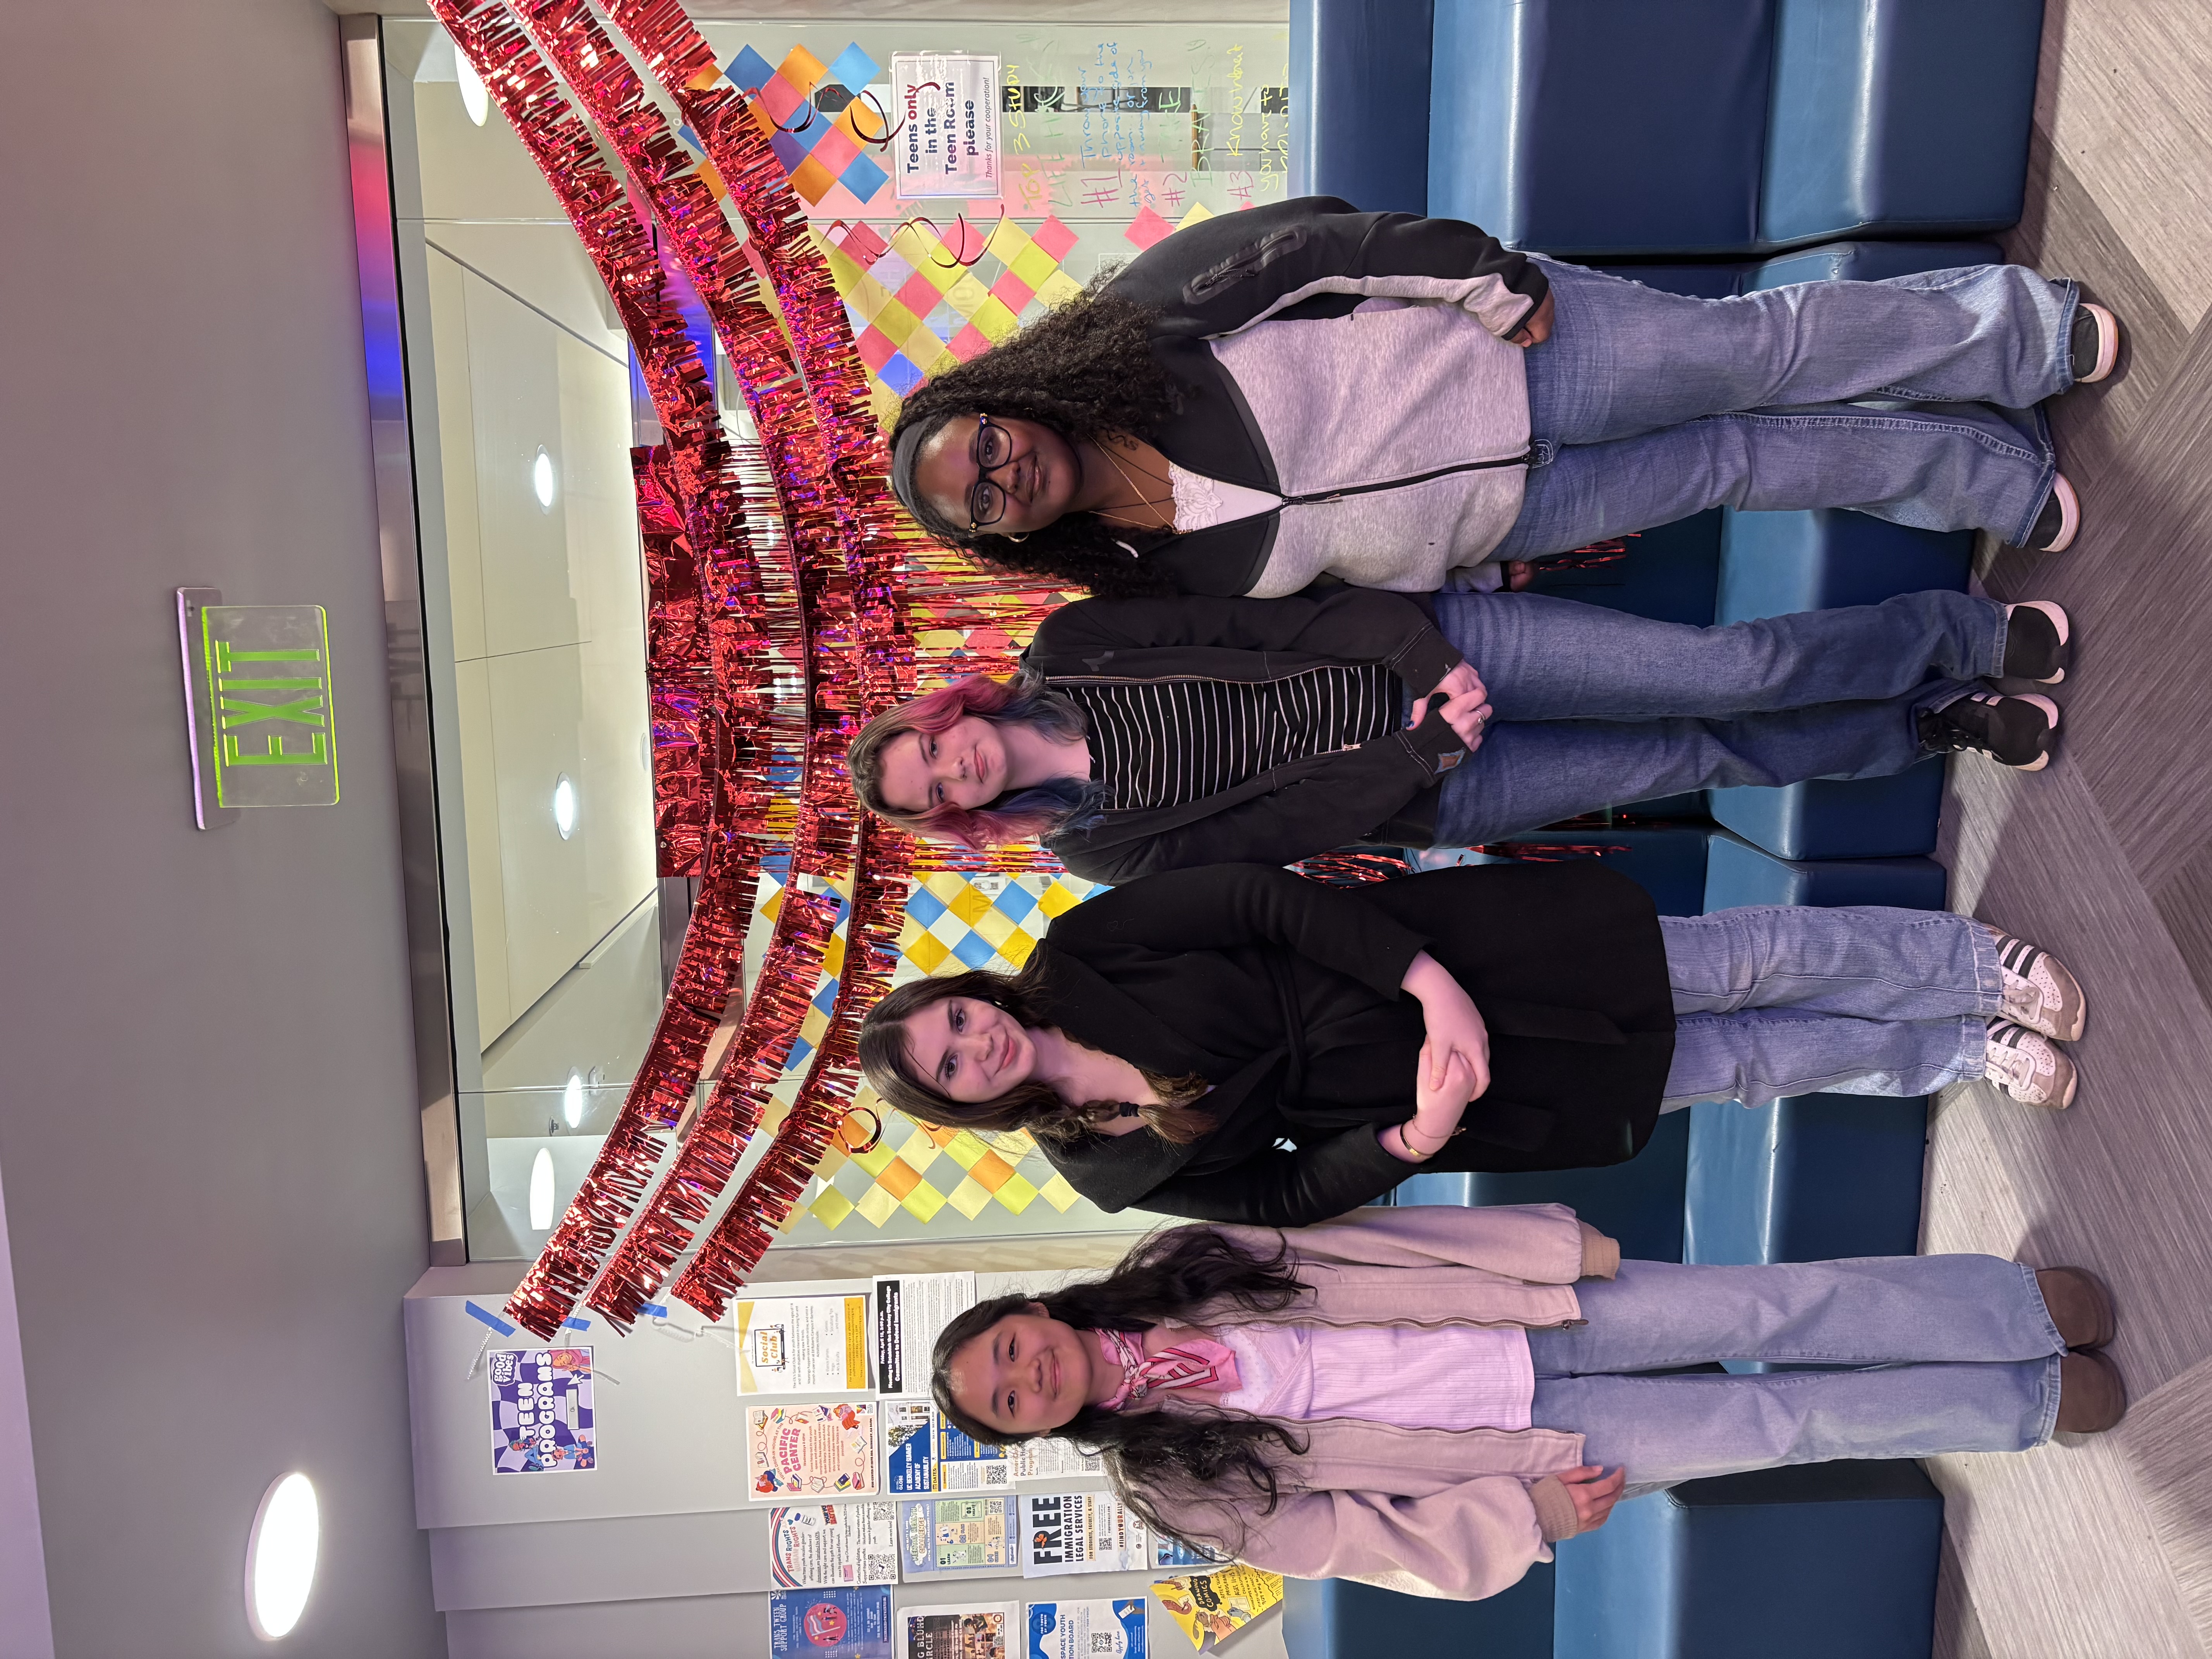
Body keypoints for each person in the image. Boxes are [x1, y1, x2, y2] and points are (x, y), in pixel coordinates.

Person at [885, 195, 2121, 600]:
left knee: (1765, 352)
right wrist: (1462, 568)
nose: (1003, 471)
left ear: (1001, 398)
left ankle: (2021, 337)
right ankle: (1988, 478)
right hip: (1516, 515)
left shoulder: (1141, 331)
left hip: (1517, 352)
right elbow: (1320, 591)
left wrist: (1479, 281)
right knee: (1747, 466)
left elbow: (1319, 242)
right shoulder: (1141, 571)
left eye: (981, 440)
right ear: (1003, 538)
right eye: (981, 499)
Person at [929, 1205, 2125, 1599]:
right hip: (1533, 1446)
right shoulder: (1176, 1487)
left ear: (1027, 1313)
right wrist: (1529, 1514)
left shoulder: (1170, 1262)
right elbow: (1356, 1541)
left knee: (1774, 1307)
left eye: (1007, 1350)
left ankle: (2015, 1313)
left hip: (1523, 1315)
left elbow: (1365, 1236)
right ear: (1032, 1430)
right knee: (1781, 1425)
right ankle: (2028, 1399)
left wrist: (1534, 1249)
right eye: (1008, 1401)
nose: (1026, 1374)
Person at [855, 862, 2085, 1226]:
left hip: (1441, 957)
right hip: (1448, 1093)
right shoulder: (1104, 1163)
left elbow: (1258, 901)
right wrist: (1414, 1136)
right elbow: (1283, 1191)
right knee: (1741, 1068)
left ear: (972, 991)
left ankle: (1977, 968)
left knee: (1734, 965)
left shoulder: (1083, 951)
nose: (975, 1045)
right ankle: (1960, 1052)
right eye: (951, 1067)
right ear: (962, 1105)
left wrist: (1429, 981)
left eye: (956, 1017)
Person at [846, 584, 2070, 883]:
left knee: (1724, 666)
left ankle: (1958, 631)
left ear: (946, 714)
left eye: (933, 743)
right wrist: (1426, 748)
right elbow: (1276, 828)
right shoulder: (1093, 848)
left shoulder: (1070, 649)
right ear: (953, 812)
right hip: (1435, 788)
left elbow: (1264, 622)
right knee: (1701, 754)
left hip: (1437, 648)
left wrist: (1427, 667)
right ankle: (1933, 723)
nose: (953, 764)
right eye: (934, 788)